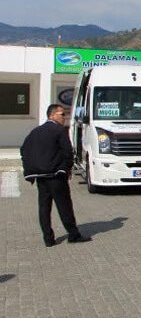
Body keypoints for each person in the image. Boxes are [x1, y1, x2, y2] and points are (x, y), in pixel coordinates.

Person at [20, 104, 91, 247]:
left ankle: (48, 239)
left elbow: (24, 150)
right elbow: (67, 152)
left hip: (41, 177)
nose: (64, 117)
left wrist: (32, 168)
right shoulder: (58, 131)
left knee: (44, 208)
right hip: (56, 176)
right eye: (62, 114)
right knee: (64, 206)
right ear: (52, 115)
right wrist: (66, 169)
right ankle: (73, 235)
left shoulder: (35, 131)